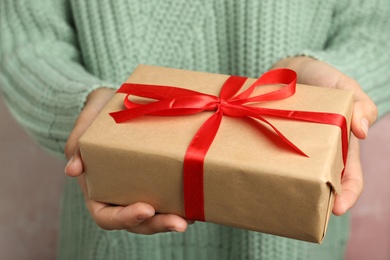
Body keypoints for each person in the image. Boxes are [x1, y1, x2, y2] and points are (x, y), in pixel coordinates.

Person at [1, 1, 389, 259]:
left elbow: (376, 28)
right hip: (111, 239)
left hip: (295, 241)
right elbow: (25, 40)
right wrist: (87, 109)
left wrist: (339, 101)